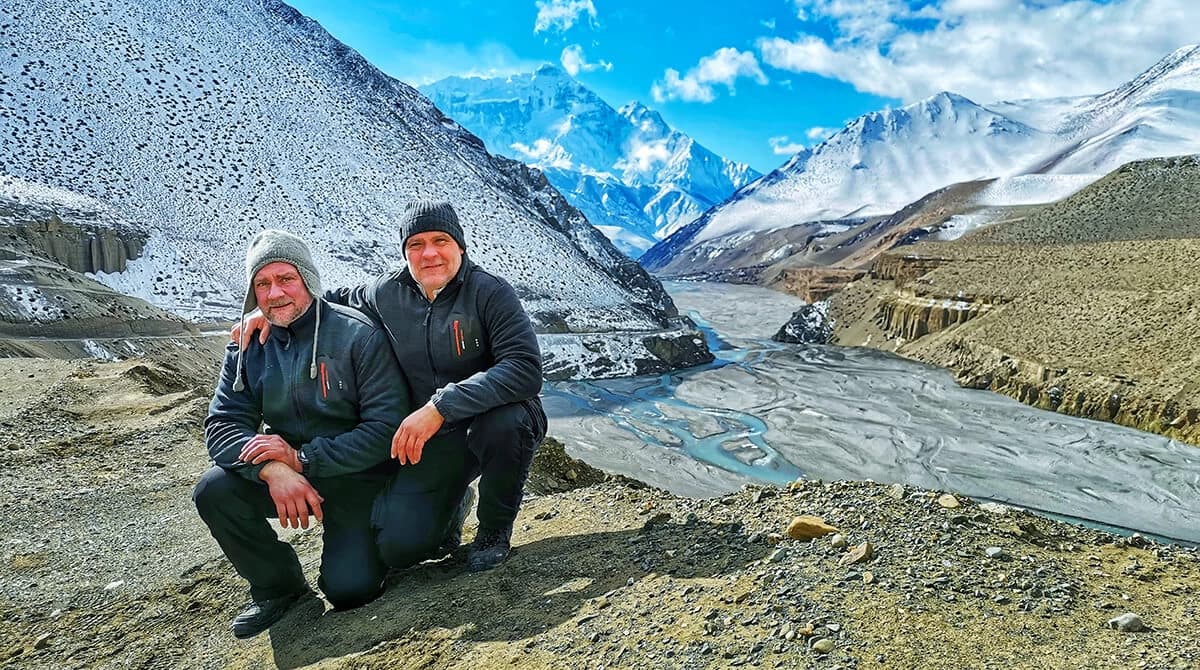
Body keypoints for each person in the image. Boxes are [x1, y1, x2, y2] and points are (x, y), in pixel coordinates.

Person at [240, 200, 546, 573]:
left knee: (505, 423)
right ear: (405, 252)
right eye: (415, 244)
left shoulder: (491, 293)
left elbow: (524, 369)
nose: (429, 253)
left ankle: (494, 532)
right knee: (398, 550)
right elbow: (327, 301)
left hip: (494, 419)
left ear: (460, 246)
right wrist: (268, 308)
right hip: (432, 438)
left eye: (440, 240)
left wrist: (440, 407)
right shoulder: (386, 292)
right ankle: (451, 509)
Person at [195, 229, 408, 639]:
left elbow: (384, 430)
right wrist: (274, 469)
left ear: (308, 279)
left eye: (286, 279)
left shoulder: (357, 336)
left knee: (350, 591)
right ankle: (279, 588)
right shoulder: (247, 347)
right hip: (290, 472)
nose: (275, 293)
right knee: (214, 491)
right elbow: (222, 424)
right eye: (262, 283)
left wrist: (306, 459)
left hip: (356, 475)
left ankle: (409, 527)